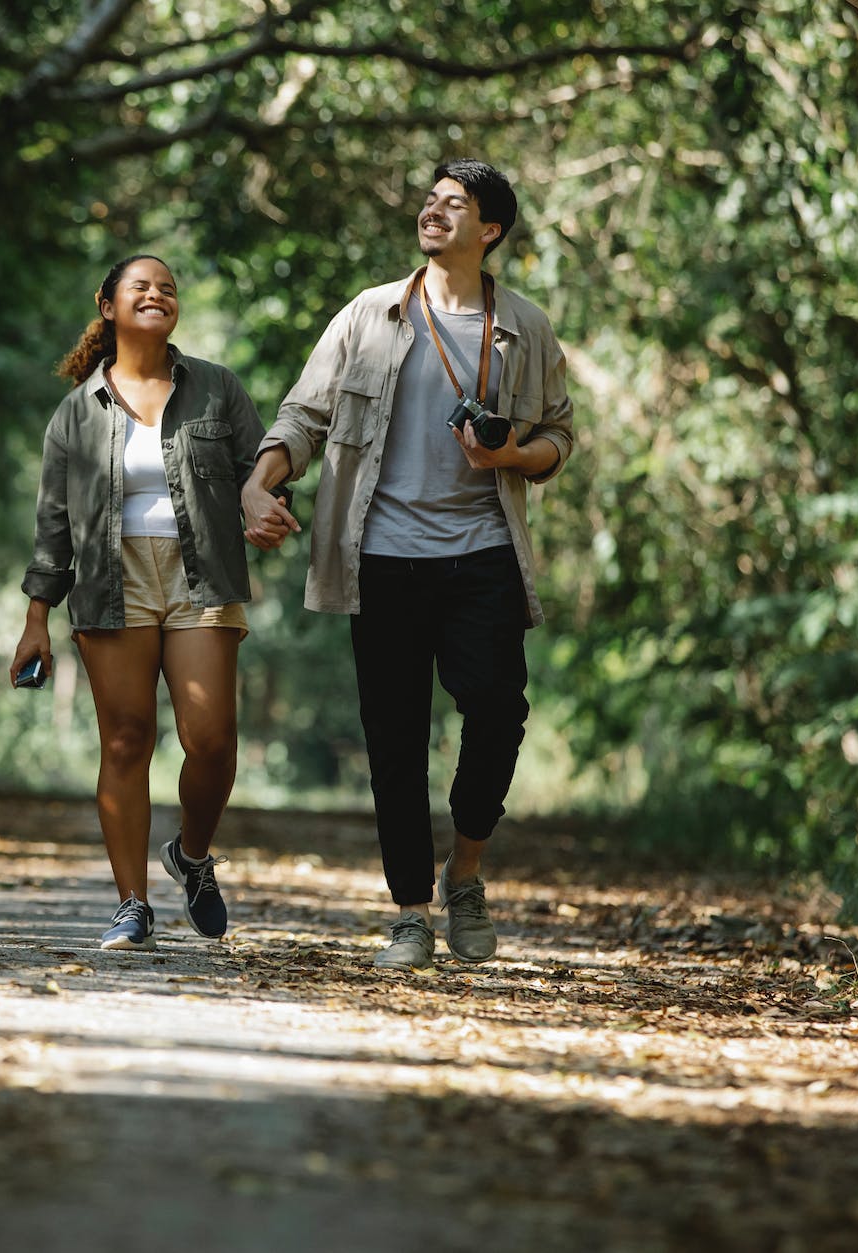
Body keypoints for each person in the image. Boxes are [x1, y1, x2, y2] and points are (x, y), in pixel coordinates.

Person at [240, 159, 575, 970]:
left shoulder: (523, 327)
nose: (433, 211)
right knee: (393, 737)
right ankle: (410, 912)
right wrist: (259, 481)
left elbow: (560, 435)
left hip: (484, 552)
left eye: (453, 204)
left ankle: (465, 869)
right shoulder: (369, 314)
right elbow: (304, 414)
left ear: (489, 230)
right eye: (430, 201)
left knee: (497, 711)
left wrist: (512, 451)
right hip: (382, 558)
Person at [11, 254, 278, 952]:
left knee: (212, 740)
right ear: (108, 305)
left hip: (202, 576)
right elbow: (51, 526)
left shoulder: (216, 388)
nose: (158, 294)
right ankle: (131, 903)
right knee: (126, 739)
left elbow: (263, 471)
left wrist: (266, 505)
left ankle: (191, 854)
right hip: (110, 578)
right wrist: (37, 617)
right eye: (142, 286)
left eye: (168, 287)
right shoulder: (75, 413)